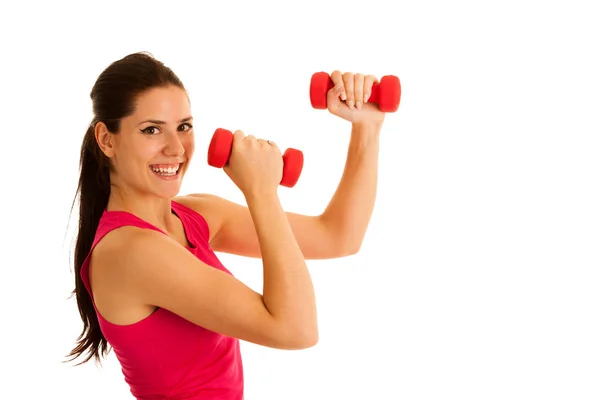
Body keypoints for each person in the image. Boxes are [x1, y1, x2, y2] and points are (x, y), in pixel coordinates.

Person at [66, 52, 386, 399]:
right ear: (107, 139)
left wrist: (366, 128)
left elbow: (338, 236)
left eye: (184, 127)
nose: (176, 149)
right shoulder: (131, 251)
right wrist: (261, 193)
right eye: (151, 130)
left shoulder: (194, 216)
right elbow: (297, 330)